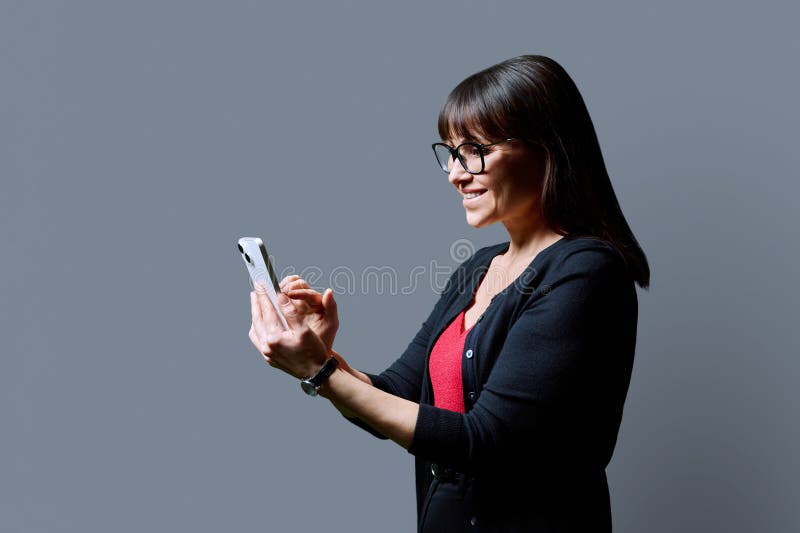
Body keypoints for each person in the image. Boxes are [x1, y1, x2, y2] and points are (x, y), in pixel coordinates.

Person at [247, 54, 650, 532]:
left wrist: (319, 373)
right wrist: (323, 355)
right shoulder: (477, 269)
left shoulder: (586, 272)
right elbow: (397, 395)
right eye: (452, 153)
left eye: (476, 150)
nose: (456, 173)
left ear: (548, 147)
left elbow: (485, 440)